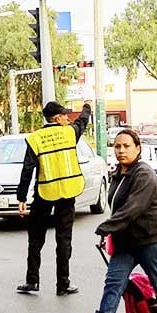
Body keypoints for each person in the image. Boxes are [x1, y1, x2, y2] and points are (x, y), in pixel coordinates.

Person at [76, 130, 157, 313]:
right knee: (114, 283)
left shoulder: (144, 174)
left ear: (138, 148)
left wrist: (107, 227)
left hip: (151, 238)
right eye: (117, 146)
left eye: (126, 146)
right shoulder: (118, 173)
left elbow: (133, 208)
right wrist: (111, 231)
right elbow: (117, 208)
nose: (121, 150)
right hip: (125, 240)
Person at [16, 101, 92, 296]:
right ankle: (63, 284)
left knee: (35, 238)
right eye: (65, 115)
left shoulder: (35, 138)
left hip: (44, 193)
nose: (68, 118)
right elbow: (83, 121)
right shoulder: (69, 133)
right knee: (64, 240)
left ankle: (32, 281)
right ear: (57, 118)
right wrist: (87, 107)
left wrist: (21, 197)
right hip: (67, 193)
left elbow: (27, 169)